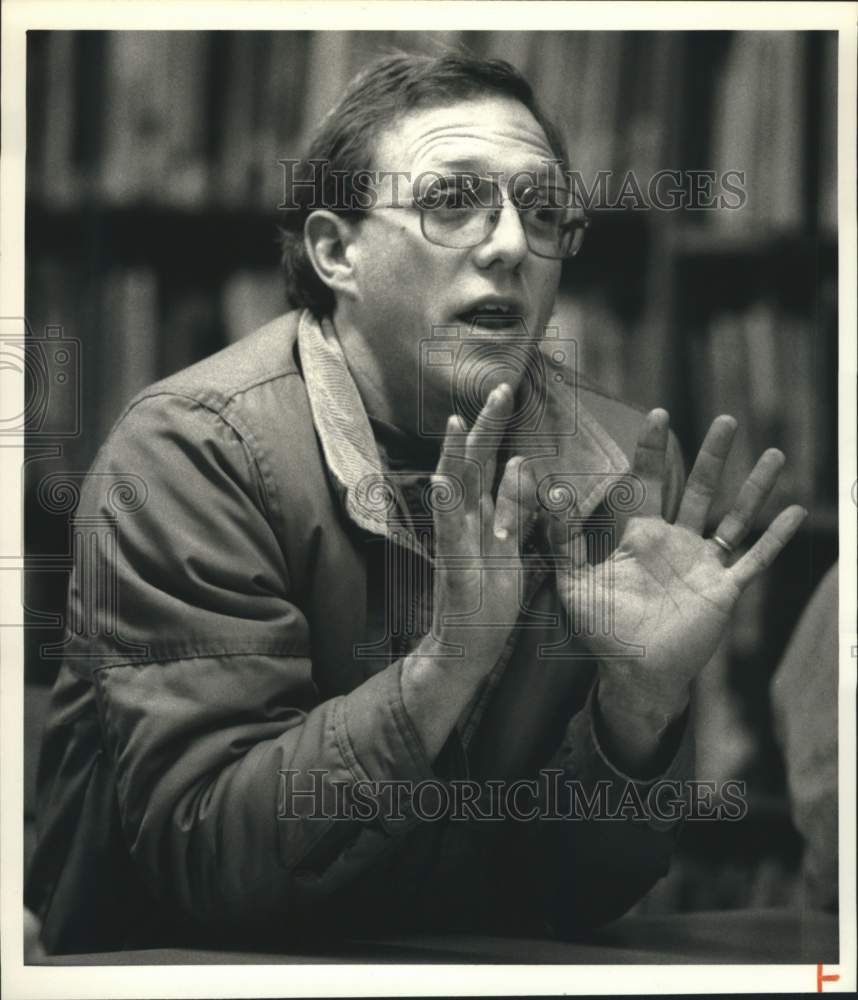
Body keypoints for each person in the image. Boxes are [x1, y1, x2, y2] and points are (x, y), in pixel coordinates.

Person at [25, 51, 806, 955]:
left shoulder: (614, 470)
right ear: (335, 252)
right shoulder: (191, 449)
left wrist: (638, 708)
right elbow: (208, 862)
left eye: (543, 211)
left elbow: (569, 897)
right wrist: (445, 670)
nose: (513, 244)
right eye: (450, 202)